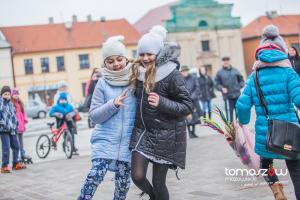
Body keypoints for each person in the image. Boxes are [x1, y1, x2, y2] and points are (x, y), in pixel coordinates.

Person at [236, 25, 300, 200]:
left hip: (266, 133)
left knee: (265, 164)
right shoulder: (289, 72)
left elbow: (242, 105)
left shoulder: (254, 77)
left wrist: (243, 122)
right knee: (295, 168)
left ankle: (278, 193)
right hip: (290, 131)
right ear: (281, 50)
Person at [129, 26, 193, 200]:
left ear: (159, 53)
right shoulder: (137, 73)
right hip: (142, 133)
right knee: (137, 176)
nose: (145, 58)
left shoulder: (172, 74)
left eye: (150, 54)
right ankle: (153, 197)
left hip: (165, 136)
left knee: (159, 183)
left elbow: (187, 106)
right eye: (142, 54)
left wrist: (162, 102)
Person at [78, 36, 136, 200]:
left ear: (125, 59)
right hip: (105, 141)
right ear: (105, 64)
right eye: (110, 61)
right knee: (94, 177)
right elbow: (95, 116)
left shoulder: (135, 80)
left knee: (123, 185)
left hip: (127, 144)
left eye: (119, 59)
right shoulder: (102, 84)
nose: (116, 64)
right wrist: (113, 104)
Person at [0, 86, 26, 173]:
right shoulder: (0, 104)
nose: (7, 95)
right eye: (5, 94)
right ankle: (4, 166)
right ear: (2, 94)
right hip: (3, 130)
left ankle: (15, 163)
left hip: (12, 129)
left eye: (8, 94)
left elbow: (14, 116)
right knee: (6, 147)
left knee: (16, 146)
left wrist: (16, 124)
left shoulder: (11, 104)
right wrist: (2, 123)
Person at [214, 56, 244, 122]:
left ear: (229, 61)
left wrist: (238, 87)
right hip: (227, 97)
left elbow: (242, 81)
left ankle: (238, 128)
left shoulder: (235, 70)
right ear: (223, 62)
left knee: (238, 114)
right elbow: (216, 83)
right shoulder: (219, 72)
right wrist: (222, 88)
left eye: (227, 60)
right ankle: (230, 129)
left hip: (237, 95)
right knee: (229, 116)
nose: (226, 62)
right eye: (224, 61)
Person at [11, 88, 32, 163]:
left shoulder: (20, 103)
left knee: (21, 141)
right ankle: (18, 156)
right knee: (16, 142)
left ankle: (22, 154)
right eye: (14, 94)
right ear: (12, 95)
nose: (16, 95)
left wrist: (25, 119)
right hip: (16, 126)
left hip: (21, 126)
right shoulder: (11, 104)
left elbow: (23, 113)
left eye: (17, 94)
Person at [180, 65, 201, 138]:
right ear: (181, 72)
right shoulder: (179, 79)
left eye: (186, 71)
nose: (185, 72)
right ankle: (189, 132)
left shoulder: (193, 77)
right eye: (183, 71)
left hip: (194, 100)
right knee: (187, 117)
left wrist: (193, 96)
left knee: (195, 116)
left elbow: (197, 87)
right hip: (185, 101)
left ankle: (193, 132)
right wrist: (185, 97)